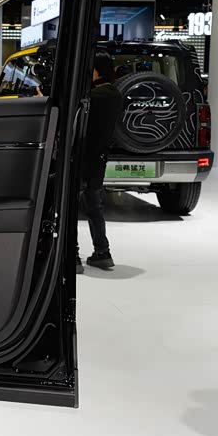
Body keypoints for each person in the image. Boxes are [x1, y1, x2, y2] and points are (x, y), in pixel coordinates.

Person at [76, 50, 123, 273]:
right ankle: (103, 252)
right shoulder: (115, 94)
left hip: (81, 156)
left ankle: (72, 255)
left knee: (70, 206)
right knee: (94, 205)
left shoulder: (92, 96)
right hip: (99, 158)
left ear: (95, 70)